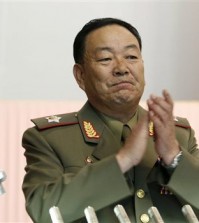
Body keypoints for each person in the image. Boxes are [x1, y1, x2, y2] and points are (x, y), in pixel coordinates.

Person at [22, 17, 199, 223]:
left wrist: (172, 156)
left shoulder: (178, 134)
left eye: (132, 56)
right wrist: (123, 160)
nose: (122, 68)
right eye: (106, 59)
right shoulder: (50, 138)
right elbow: (43, 210)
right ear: (80, 75)